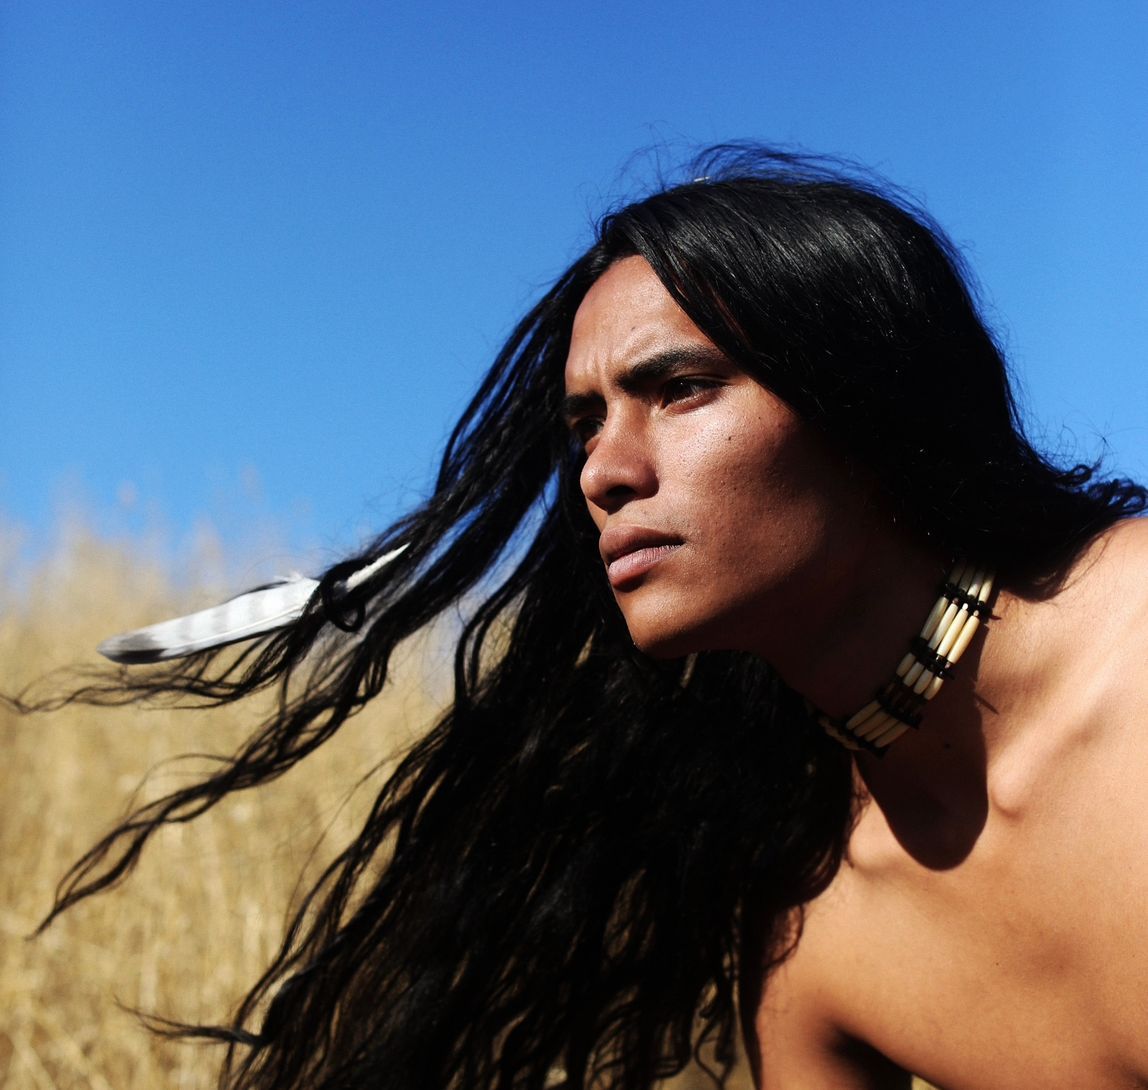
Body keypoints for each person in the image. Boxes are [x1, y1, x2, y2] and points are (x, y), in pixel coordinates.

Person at [40, 146, 1147, 1089]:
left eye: (678, 388)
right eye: (583, 424)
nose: (603, 472)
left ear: (859, 397)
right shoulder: (819, 950)